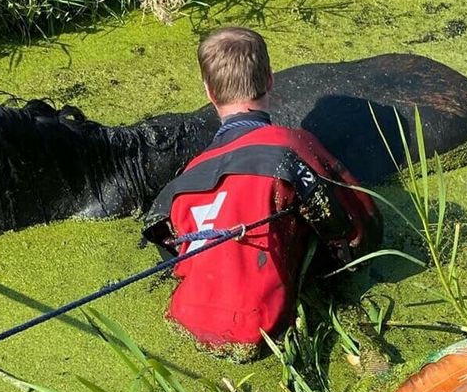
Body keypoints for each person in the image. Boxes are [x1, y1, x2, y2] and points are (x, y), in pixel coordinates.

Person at [143, 27, 380, 356]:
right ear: (270, 80)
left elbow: (169, 249)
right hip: (263, 327)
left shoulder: (183, 180)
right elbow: (359, 232)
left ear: (210, 92)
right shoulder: (290, 146)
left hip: (187, 323)